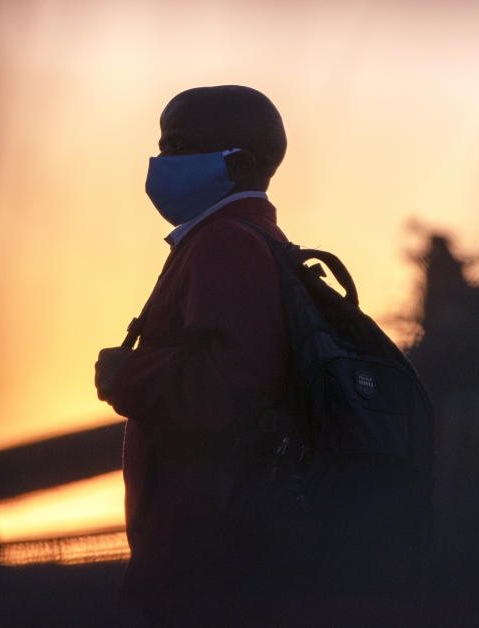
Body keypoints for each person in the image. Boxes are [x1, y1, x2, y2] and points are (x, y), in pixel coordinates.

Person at [95, 85, 291, 624]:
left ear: (242, 164)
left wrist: (126, 373)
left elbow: (232, 383)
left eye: (179, 148)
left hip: (199, 565)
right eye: (161, 146)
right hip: (215, 559)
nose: (161, 164)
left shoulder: (225, 242)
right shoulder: (253, 239)